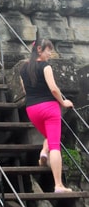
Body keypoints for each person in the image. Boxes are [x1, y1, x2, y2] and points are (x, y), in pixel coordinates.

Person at [19, 37, 74, 193]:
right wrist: (63, 102)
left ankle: (44, 152)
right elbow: (54, 89)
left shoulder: (24, 68)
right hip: (49, 108)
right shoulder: (45, 66)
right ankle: (58, 185)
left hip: (32, 110)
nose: (50, 53)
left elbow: (25, 91)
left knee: (50, 136)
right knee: (55, 144)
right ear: (39, 50)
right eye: (49, 50)